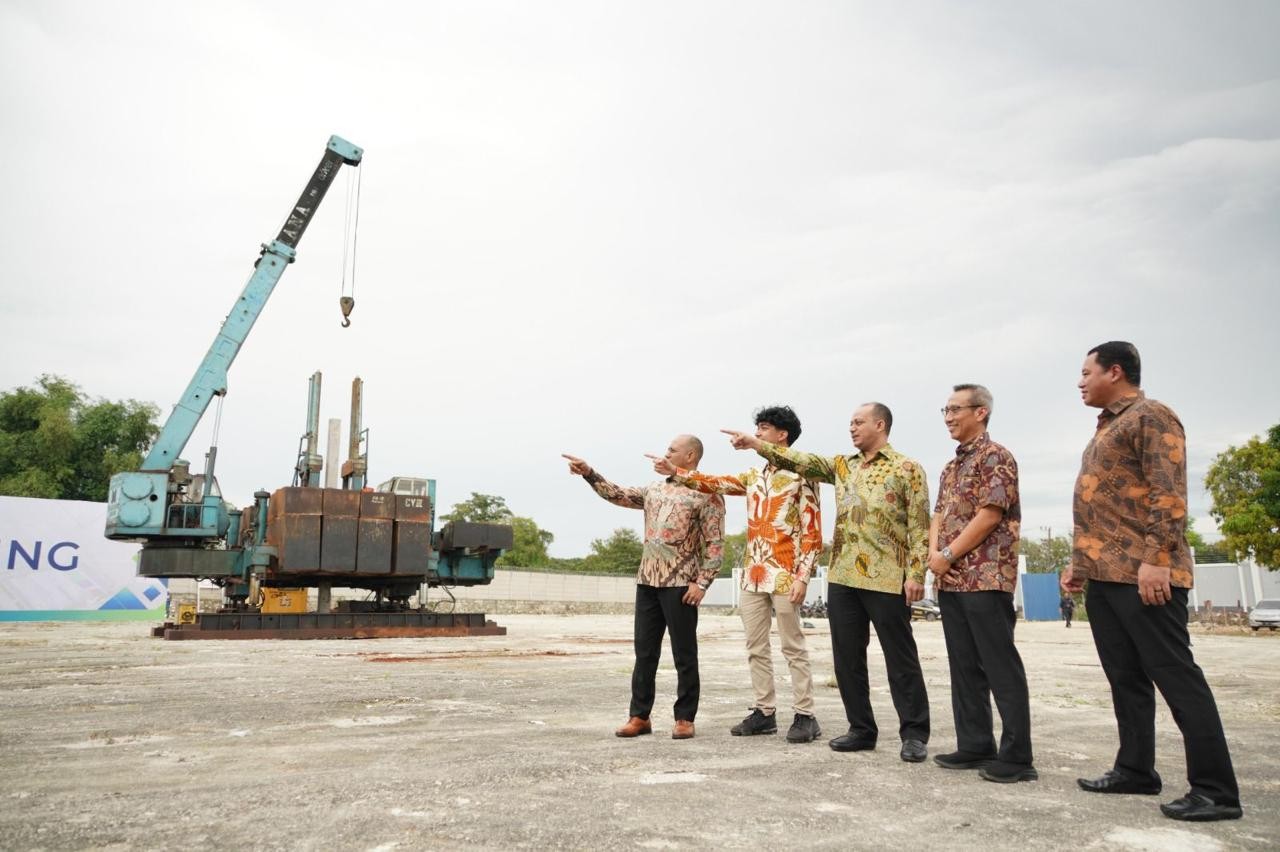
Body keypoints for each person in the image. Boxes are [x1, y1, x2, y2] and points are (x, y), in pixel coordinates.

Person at [1064, 341, 1242, 821]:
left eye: (1086, 373)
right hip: (1106, 575)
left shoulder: (1151, 415)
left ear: (1115, 372)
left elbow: (1169, 492)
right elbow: (1104, 506)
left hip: (1144, 574)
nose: (1079, 382)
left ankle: (1216, 790)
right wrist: (1079, 564)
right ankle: (1135, 770)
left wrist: (1157, 559)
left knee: (1176, 677)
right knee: (1125, 679)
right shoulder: (1107, 427)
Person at [723, 402, 931, 762]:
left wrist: (916, 574)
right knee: (847, 660)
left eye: (858, 422)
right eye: (849, 422)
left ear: (880, 425)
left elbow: (919, 525)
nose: (851, 428)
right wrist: (756, 445)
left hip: (886, 577)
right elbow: (799, 461)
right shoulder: (841, 466)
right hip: (843, 575)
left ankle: (913, 734)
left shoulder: (908, 468)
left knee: (901, 659)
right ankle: (861, 730)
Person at [650, 405, 823, 744]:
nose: (757, 433)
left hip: (787, 572)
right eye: (757, 428)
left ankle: (805, 714)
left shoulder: (804, 473)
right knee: (755, 646)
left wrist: (804, 575)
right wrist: (677, 471)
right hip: (753, 573)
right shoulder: (754, 477)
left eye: (763, 428)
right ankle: (765, 712)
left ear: (781, 434)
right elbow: (716, 482)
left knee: (793, 645)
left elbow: (813, 529)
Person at [563, 437, 725, 740]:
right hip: (647, 582)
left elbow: (715, 545)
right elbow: (617, 494)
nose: (665, 454)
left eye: (671, 451)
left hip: (681, 584)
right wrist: (588, 472)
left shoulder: (707, 493)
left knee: (684, 654)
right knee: (645, 653)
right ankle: (639, 716)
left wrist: (702, 583)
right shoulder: (654, 489)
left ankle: (685, 718)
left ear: (690, 456)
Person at [927, 384, 1036, 784]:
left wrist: (949, 554)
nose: (948, 417)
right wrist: (933, 556)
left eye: (956, 409)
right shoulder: (950, 467)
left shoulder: (997, 457)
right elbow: (938, 515)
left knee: (999, 666)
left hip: (985, 578)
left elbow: (990, 515)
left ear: (981, 412)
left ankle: (1018, 756)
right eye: (945, 410)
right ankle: (974, 744)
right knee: (964, 666)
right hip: (951, 580)